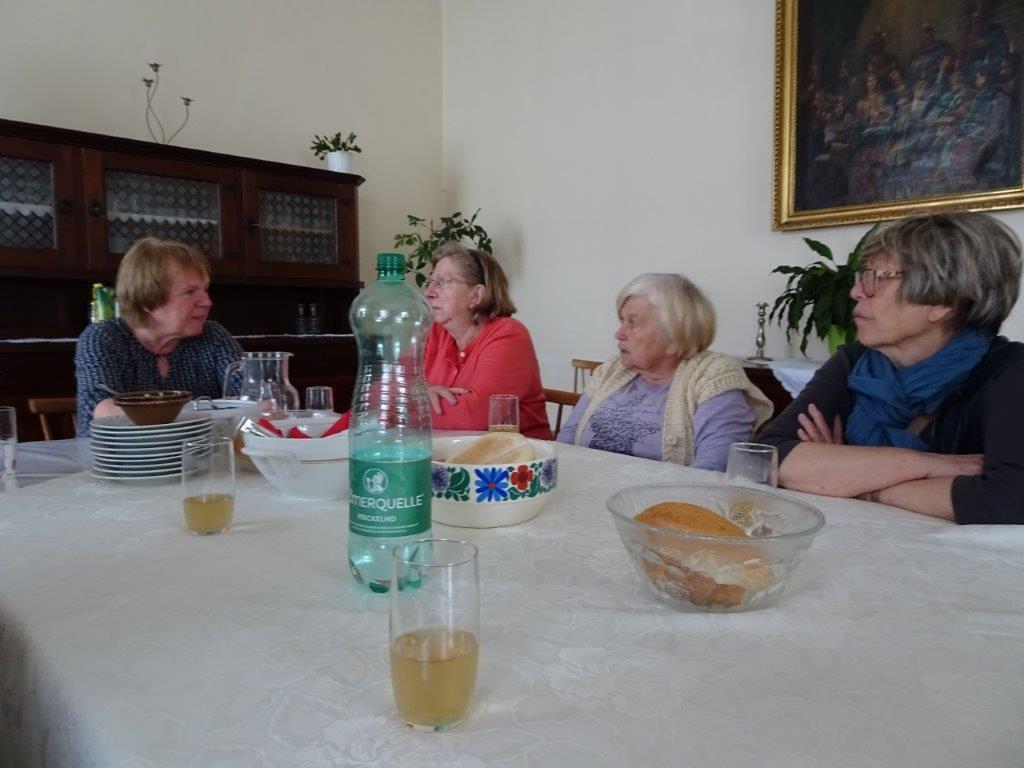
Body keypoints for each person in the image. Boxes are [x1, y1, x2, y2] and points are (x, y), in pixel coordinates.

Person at [758, 212, 1024, 524]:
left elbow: (1011, 498)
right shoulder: (855, 361)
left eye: (878, 277)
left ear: (943, 302)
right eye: (863, 276)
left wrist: (860, 483)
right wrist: (929, 466)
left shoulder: (1010, 372)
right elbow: (767, 456)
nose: (856, 291)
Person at [557, 274, 772, 469]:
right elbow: (565, 445)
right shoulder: (610, 370)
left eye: (633, 323)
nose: (619, 333)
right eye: (622, 321)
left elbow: (713, 470)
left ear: (675, 336)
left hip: (664, 498)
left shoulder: (713, 375)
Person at [75, 237, 243, 435]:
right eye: (190, 292)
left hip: (198, 452)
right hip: (118, 453)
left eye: (205, 290)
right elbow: (103, 411)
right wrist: (205, 414)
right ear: (147, 299)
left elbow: (255, 397)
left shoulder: (213, 336)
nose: (207, 302)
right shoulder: (104, 338)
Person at [423, 243, 551, 439]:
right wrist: (422, 391)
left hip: (518, 454)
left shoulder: (509, 334)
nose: (429, 292)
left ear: (476, 295)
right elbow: (382, 387)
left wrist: (405, 405)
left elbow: (477, 415)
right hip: (453, 451)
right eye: (430, 282)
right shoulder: (435, 332)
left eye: (444, 281)